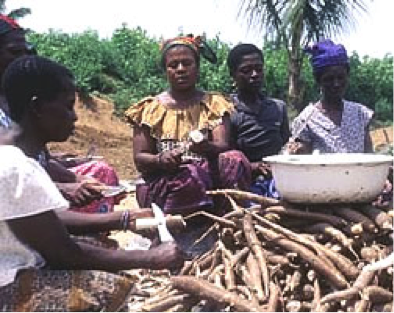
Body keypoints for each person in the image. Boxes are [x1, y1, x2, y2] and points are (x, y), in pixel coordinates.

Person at [0, 142, 183, 310]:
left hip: (16, 258)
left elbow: (47, 221)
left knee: (101, 245)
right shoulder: (13, 166)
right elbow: (63, 253)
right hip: (5, 281)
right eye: (68, 106)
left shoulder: (17, 158)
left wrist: (125, 219)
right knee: (107, 288)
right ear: (36, 109)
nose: (74, 117)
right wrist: (151, 258)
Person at [125, 35, 252, 216]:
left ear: (197, 67)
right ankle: (178, 227)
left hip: (207, 181)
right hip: (163, 184)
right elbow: (140, 158)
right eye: (173, 65)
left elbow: (223, 145)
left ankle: (228, 215)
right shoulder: (150, 109)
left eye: (187, 63)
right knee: (190, 173)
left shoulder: (213, 103)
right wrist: (161, 159)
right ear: (165, 70)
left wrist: (206, 147)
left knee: (236, 159)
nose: (180, 69)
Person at [287, 39, 374, 154]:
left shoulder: (360, 114)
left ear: (347, 77)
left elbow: (369, 157)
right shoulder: (307, 120)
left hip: (358, 172)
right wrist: (297, 151)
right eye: (329, 79)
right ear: (318, 81)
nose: (336, 84)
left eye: (341, 77)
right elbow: (304, 163)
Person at [227, 43, 290, 198]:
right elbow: (225, 156)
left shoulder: (278, 108)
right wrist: (253, 167)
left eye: (259, 69)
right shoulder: (226, 110)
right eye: (246, 70)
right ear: (233, 75)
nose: (254, 74)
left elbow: (286, 144)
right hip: (243, 185)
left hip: (278, 180)